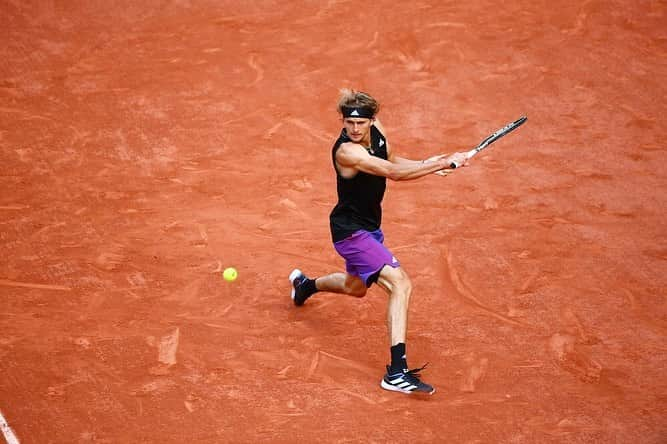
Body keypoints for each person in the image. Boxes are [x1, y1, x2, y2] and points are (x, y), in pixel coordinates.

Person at [289, 89, 469, 395]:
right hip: (350, 231)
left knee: (354, 288)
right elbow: (391, 173)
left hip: (369, 227)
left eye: (361, 123)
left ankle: (306, 285)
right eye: (348, 123)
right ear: (343, 122)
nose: (355, 129)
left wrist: (428, 162)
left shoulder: (378, 132)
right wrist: (439, 165)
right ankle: (396, 372)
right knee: (401, 284)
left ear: (373, 120)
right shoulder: (347, 151)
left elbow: (393, 159)